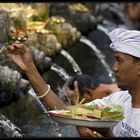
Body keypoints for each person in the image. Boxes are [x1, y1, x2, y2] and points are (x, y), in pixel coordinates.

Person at [3, 28, 140, 137]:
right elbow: (63, 111)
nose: (114, 67)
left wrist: (107, 134)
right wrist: (30, 68)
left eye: (119, 60)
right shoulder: (118, 101)